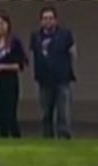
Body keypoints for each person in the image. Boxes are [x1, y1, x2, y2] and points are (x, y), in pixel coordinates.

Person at [29, 6, 76, 139]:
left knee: (63, 112)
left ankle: (64, 137)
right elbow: (34, 55)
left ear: (55, 20)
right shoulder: (36, 36)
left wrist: (68, 69)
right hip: (44, 80)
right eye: (45, 18)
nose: (48, 21)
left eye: (50, 18)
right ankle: (47, 137)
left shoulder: (65, 35)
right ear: (41, 21)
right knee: (45, 112)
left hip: (62, 79)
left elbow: (73, 53)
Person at [0, 10, 27, 138]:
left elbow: (20, 65)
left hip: (10, 81)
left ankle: (15, 136)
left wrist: (2, 67)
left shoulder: (14, 43)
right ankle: (3, 136)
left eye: (2, 23)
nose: (0, 27)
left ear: (8, 24)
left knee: (10, 112)